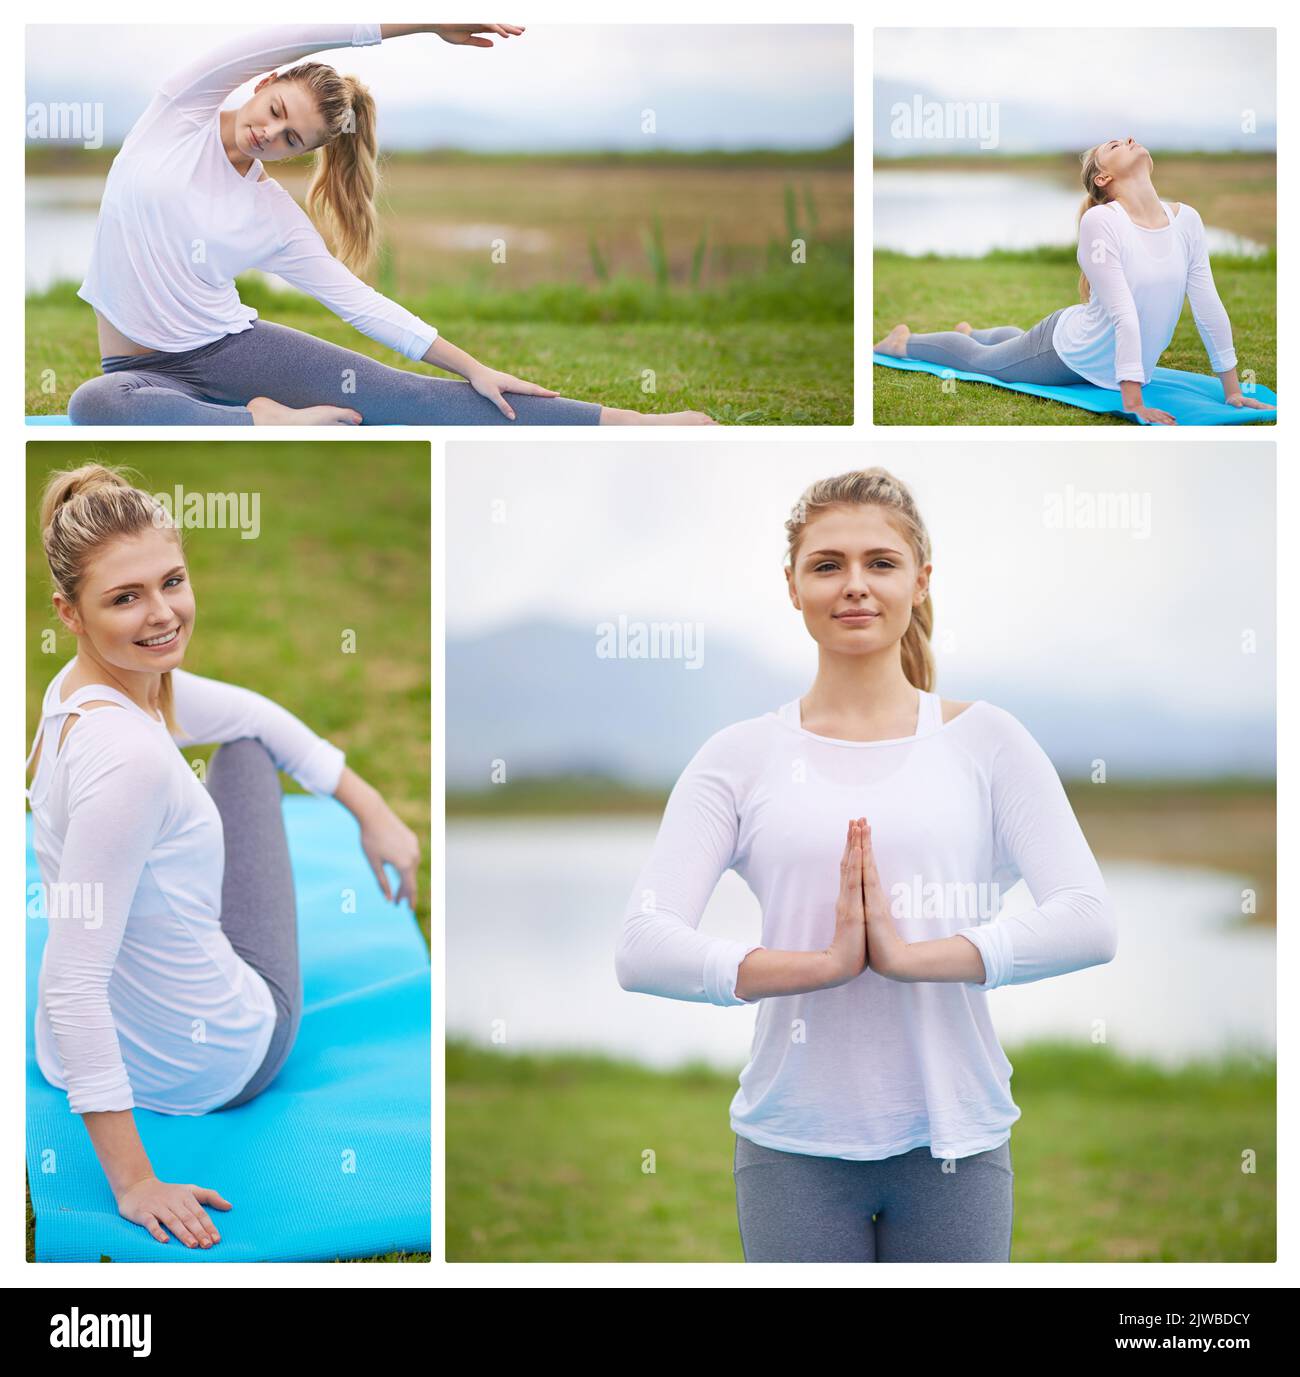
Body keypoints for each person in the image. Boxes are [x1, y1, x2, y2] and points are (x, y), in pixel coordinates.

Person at [615, 466, 1118, 1262]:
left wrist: (917, 958)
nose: (855, 585)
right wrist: (818, 965)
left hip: (957, 1139)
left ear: (921, 579)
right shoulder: (739, 756)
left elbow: (1089, 920)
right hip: (792, 1145)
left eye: (880, 563)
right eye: (828, 564)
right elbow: (642, 944)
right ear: (792, 585)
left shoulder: (988, 741)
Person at [26, 463, 421, 1249]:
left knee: (236, 731)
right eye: (125, 598)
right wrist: (136, 1182)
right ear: (69, 612)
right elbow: (71, 985)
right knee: (244, 753)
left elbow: (243, 706)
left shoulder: (72, 694)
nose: (163, 613)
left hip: (75, 1052)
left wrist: (373, 811)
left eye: (171, 580)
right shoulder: (132, 762)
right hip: (223, 1057)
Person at [64, 23, 714, 427]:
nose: (270, 132)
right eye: (275, 109)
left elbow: (360, 304)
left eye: (292, 138)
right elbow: (296, 31)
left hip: (228, 347)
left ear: (303, 153)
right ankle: (261, 422)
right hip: (134, 367)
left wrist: (474, 365)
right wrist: (425, 21)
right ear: (263, 83)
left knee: (408, 396)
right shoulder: (181, 110)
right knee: (95, 404)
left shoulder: (272, 217)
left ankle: (627, 422)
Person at [875, 137, 1274, 425]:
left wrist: (1232, 390)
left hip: (1087, 347)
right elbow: (1124, 314)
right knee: (983, 363)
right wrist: (1133, 401)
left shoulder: (1186, 220)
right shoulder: (1101, 221)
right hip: (1070, 352)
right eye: (1115, 146)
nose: (1129, 140)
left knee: (1017, 345)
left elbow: (1208, 304)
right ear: (1102, 178)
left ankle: (977, 330)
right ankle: (904, 342)